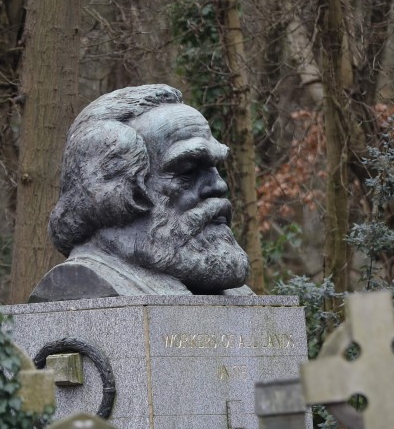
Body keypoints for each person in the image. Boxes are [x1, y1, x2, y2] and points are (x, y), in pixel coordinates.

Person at [28, 84, 253, 302]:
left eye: (215, 167)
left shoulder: (233, 292)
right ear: (117, 193)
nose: (219, 185)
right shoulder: (81, 284)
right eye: (188, 171)